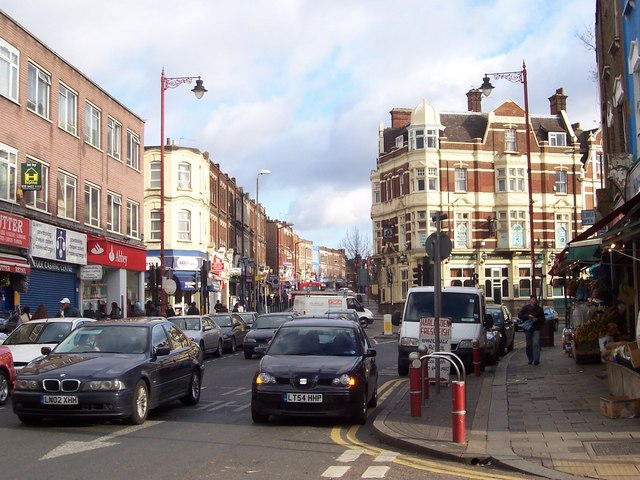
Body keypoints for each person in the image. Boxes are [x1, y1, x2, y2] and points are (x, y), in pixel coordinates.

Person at [518, 295, 545, 365]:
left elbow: (543, 319)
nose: (534, 301)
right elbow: (520, 315)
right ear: (530, 300)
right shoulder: (526, 308)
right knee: (529, 344)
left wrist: (537, 319)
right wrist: (528, 316)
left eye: (535, 299)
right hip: (528, 329)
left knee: (536, 343)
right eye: (533, 299)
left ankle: (536, 359)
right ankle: (530, 358)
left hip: (536, 328)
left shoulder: (540, 309)